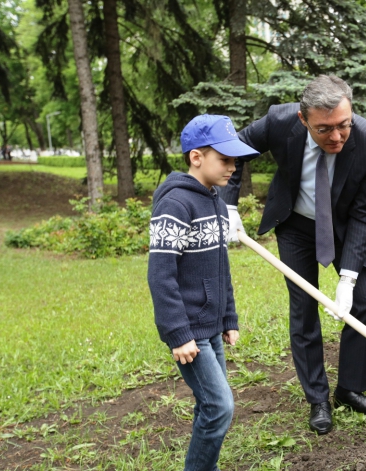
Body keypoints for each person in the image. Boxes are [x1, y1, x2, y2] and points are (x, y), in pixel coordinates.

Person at [221, 75, 366, 435]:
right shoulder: (280, 122)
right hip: (296, 224)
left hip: (347, 226)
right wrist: (228, 206)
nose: (336, 137)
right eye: (324, 129)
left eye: (343, 125)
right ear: (303, 120)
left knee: (365, 300)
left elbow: (364, 214)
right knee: (303, 309)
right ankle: (318, 399)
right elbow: (235, 146)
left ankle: (350, 389)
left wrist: (347, 279)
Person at [147, 114, 259, 471]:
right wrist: (178, 334)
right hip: (189, 332)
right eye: (224, 159)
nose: (233, 167)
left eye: (234, 160)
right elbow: (160, 276)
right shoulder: (176, 204)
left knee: (208, 404)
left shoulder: (214, 200)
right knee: (219, 406)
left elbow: (220, 266)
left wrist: (229, 317)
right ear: (197, 157)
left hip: (212, 326)